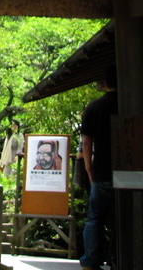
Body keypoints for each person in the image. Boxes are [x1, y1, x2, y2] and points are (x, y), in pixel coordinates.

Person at [79, 66, 118, 270]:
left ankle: (90, 261)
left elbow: (86, 142)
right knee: (121, 219)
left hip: (101, 171)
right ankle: (116, 258)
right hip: (129, 172)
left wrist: (89, 168)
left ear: (105, 83)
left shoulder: (94, 108)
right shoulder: (131, 102)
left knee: (94, 218)